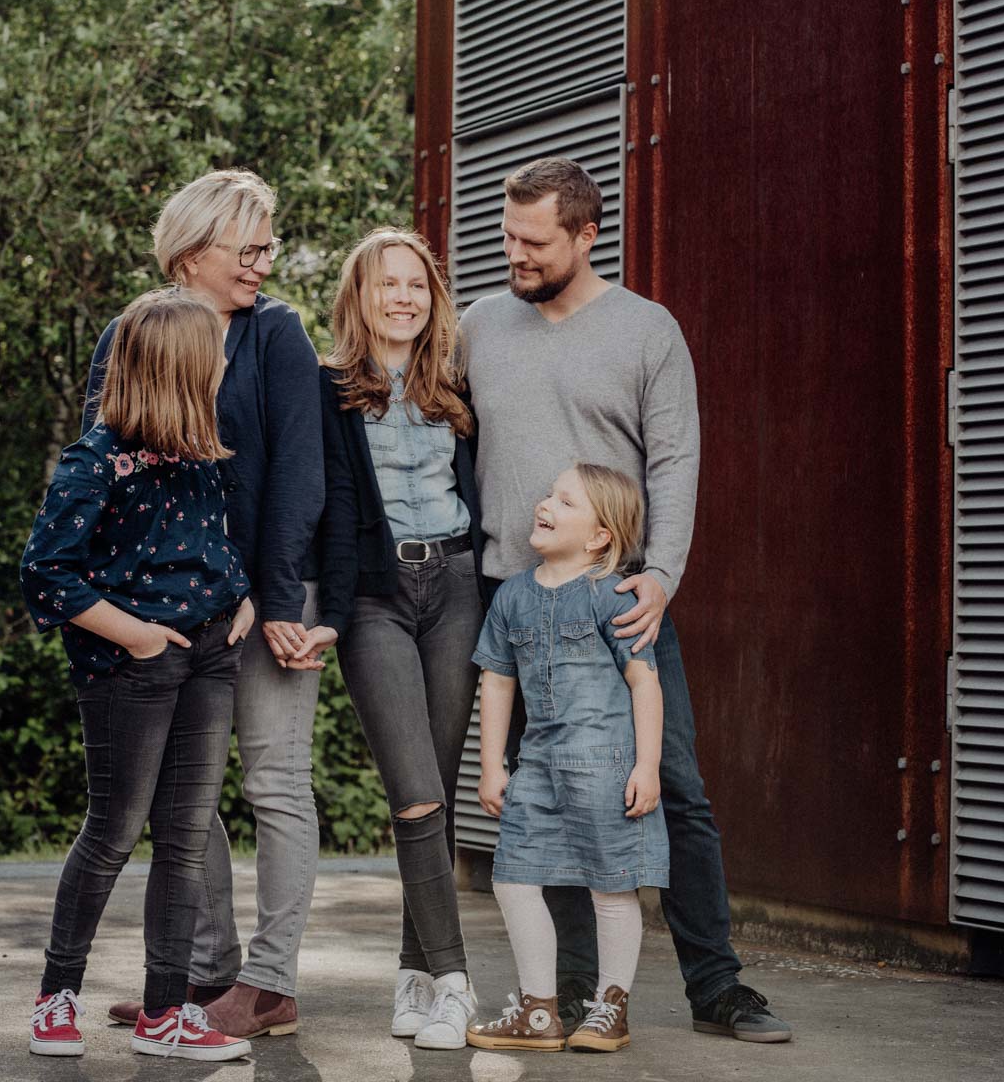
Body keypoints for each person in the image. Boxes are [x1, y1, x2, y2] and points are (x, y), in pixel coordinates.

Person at [458, 156, 792, 1044]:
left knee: (672, 786)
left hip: (620, 601)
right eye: (508, 236)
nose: (515, 255)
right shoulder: (479, 325)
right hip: (513, 601)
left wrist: (662, 574)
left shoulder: (647, 331)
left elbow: (675, 459)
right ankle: (573, 994)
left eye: (534, 243)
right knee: (547, 795)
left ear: (585, 234)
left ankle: (717, 987)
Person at [86, 169, 328, 1041]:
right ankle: (203, 976)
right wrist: (121, 606)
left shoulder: (278, 335)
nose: (263, 263)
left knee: (272, 779)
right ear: (192, 254)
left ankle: (269, 986)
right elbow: (105, 459)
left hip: (265, 597)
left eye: (268, 246)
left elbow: (302, 472)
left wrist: (265, 594)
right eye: (249, 248)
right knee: (179, 797)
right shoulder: (132, 333)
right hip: (159, 607)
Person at [21, 289, 254, 1062]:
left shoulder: (204, 453)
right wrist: (139, 639)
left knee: (185, 838)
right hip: (128, 670)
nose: (226, 360)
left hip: (212, 657)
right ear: (180, 367)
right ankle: (57, 999)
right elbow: (46, 574)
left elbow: (209, 544)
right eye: (215, 351)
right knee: (114, 832)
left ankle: (165, 1012)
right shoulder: (95, 460)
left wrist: (242, 595)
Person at [313, 228, 485, 1050]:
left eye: (416, 284)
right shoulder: (327, 388)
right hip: (376, 597)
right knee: (414, 792)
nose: (404, 298)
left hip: (455, 588)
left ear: (433, 296)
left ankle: (415, 979)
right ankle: (455, 985)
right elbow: (313, 506)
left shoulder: (455, 383)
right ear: (360, 295)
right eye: (387, 285)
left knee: (439, 793)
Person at [468, 463, 667, 1055]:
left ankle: (611, 1007)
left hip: (605, 765)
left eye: (565, 500)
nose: (545, 503)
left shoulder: (614, 596)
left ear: (600, 536)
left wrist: (647, 766)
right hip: (538, 767)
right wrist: (491, 765)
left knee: (611, 887)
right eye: (549, 493)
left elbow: (644, 683)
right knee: (513, 878)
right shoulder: (513, 595)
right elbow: (497, 680)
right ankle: (538, 1011)